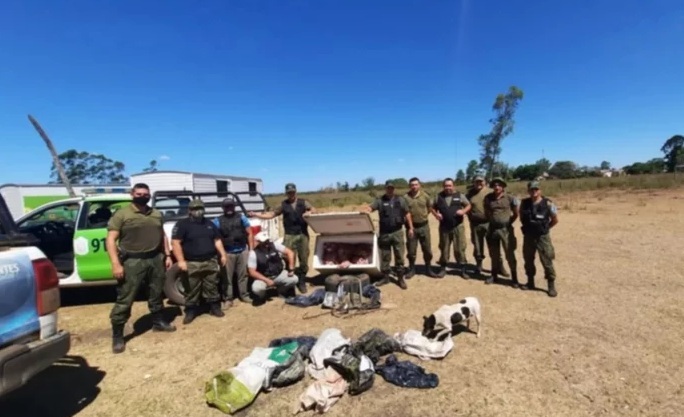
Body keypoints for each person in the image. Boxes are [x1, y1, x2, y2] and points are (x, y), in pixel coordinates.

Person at [106, 183, 176, 354]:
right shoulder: (122, 214)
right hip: (132, 261)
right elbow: (111, 239)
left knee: (156, 292)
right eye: (139, 194)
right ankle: (118, 335)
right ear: (132, 194)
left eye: (146, 194)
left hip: (155, 258)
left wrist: (167, 255)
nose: (143, 196)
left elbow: (162, 235)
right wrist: (115, 263)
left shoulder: (156, 214)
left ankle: (158, 322)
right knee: (126, 296)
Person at [248, 183, 315, 294]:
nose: (291, 194)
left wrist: (310, 212)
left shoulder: (303, 202)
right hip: (289, 235)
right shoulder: (283, 205)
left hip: (303, 234)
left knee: (304, 259)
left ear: (296, 192)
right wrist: (256, 214)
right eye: (289, 193)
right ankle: (289, 279)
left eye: (292, 192)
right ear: (286, 193)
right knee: (287, 257)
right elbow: (271, 215)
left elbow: (313, 209)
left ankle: (301, 281)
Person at [171, 199, 228, 324]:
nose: (198, 211)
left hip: (210, 261)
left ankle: (215, 307)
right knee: (191, 288)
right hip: (191, 262)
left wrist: (223, 254)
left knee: (212, 286)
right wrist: (181, 261)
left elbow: (217, 240)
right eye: (195, 209)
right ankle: (191, 311)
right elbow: (175, 243)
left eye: (200, 208)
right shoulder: (182, 224)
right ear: (189, 210)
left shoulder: (209, 223)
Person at [364, 180, 414, 289]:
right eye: (388, 188)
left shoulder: (401, 200)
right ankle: (385, 277)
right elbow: (370, 208)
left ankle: (400, 278)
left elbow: (407, 213)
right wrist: (367, 210)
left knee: (399, 256)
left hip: (397, 232)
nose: (390, 190)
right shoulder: (380, 200)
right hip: (384, 233)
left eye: (391, 188)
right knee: (385, 256)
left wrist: (410, 228)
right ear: (385, 188)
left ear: (394, 189)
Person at [519, 181, 559, 297]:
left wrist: (545, 228)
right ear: (528, 191)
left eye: (536, 189)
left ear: (540, 190)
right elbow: (521, 217)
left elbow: (555, 219)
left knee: (547, 260)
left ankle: (551, 285)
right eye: (531, 189)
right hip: (529, 236)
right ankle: (530, 282)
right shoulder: (524, 203)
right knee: (528, 259)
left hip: (542, 237)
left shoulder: (548, 203)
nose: (534, 191)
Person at [213, 196, 254, 308]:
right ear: (223, 208)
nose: (229, 208)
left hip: (242, 251)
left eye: (231, 206)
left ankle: (244, 295)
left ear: (234, 206)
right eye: (226, 207)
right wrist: (221, 254)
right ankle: (228, 299)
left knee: (243, 275)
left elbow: (249, 233)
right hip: (227, 253)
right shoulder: (217, 221)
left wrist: (251, 250)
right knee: (226, 278)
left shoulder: (242, 218)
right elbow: (215, 238)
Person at [465, 175, 509, 278]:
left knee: (493, 247)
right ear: (473, 183)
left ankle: (499, 267)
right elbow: (466, 206)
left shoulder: (491, 192)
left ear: (484, 182)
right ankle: (479, 265)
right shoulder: (469, 194)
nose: (479, 183)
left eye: (481, 181)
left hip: (489, 224)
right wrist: (470, 216)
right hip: (475, 224)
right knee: (477, 247)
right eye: (476, 182)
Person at [431, 177, 472, 278]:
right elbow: (431, 207)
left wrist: (463, 211)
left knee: (460, 248)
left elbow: (469, 205)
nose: (448, 187)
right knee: (444, 248)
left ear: (453, 186)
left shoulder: (460, 195)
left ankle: (463, 269)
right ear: (443, 186)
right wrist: (436, 214)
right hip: (444, 227)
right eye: (446, 186)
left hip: (458, 226)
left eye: (449, 185)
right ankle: (443, 268)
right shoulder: (438, 197)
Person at [483, 177, 520, 287]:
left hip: (505, 230)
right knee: (494, 254)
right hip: (493, 229)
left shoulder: (510, 198)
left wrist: (508, 222)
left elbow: (516, 213)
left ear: (503, 186)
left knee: (509, 253)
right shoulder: (488, 198)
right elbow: (487, 212)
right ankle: (494, 275)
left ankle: (514, 278)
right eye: (495, 185)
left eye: (499, 185)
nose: (497, 187)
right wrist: (493, 221)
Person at [247, 231, 299, 303]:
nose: (266, 243)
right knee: (257, 288)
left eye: (267, 240)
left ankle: (281, 291)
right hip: (263, 277)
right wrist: (266, 280)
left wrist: (291, 268)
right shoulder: (253, 253)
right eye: (264, 242)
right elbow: (252, 272)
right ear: (259, 242)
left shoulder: (274, 245)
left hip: (278, 274)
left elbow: (290, 252)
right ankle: (263, 296)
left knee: (294, 279)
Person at [404, 177, 438, 278]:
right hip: (411, 228)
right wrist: (410, 227)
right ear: (409, 186)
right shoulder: (405, 198)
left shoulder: (425, 196)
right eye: (412, 185)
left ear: (419, 185)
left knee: (427, 249)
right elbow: (405, 212)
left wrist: (435, 215)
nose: (414, 187)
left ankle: (428, 268)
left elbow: (430, 207)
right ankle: (412, 269)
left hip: (424, 226)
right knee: (411, 251)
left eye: (416, 184)